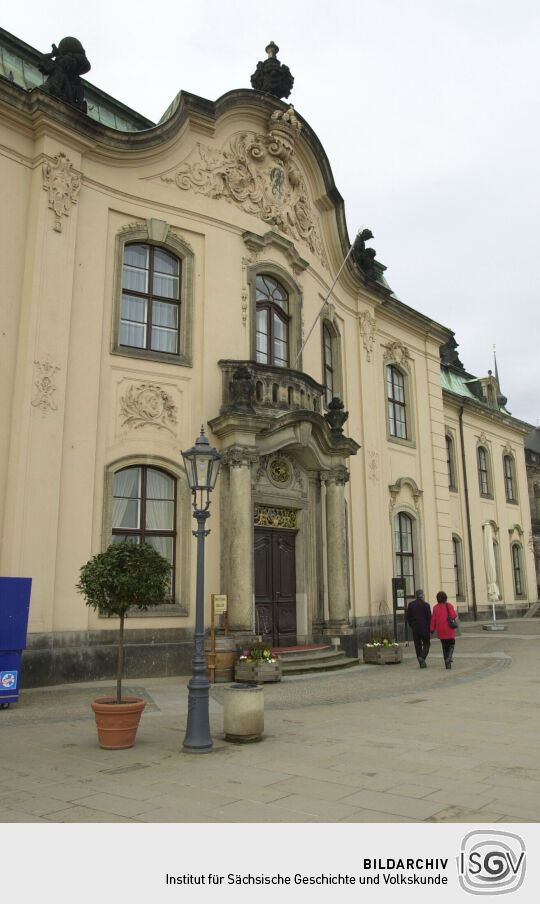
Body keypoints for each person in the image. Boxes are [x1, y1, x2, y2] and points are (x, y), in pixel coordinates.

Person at [430, 590, 458, 669]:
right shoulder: (449, 606)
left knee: (444, 647)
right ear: (445, 598)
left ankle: (447, 662)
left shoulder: (435, 607)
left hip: (441, 631)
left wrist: (432, 629)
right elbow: (454, 615)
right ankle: (449, 658)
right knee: (451, 645)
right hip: (449, 630)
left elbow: (433, 619)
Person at [406, 589, 431, 668]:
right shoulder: (426, 605)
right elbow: (429, 618)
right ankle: (422, 657)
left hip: (415, 628)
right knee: (427, 643)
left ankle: (420, 660)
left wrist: (412, 625)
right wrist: (430, 628)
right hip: (424, 628)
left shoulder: (411, 605)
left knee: (417, 645)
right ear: (422, 596)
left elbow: (408, 617)